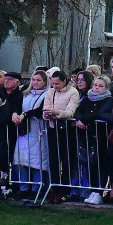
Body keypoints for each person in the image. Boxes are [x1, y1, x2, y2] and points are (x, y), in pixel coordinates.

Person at [74, 75, 113, 206]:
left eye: (100, 86)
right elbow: (78, 111)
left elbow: (98, 113)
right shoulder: (87, 98)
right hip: (88, 135)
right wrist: (79, 119)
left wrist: (85, 120)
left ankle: (99, 190)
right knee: (90, 164)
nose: (97, 88)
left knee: (101, 164)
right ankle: (93, 189)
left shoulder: (108, 100)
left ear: (106, 88)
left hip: (102, 136)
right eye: (96, 85)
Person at [12, 70, 50, 202]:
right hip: (24, 132)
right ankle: (23, 188)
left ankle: (36, 188)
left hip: (38, 131)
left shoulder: (47, 94)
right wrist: (16, 114)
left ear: (45, 82)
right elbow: (17, 107)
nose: (35, 82)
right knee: (21, 160)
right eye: (33, 80)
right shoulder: (26, 94)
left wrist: (26, 115)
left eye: (39, 80)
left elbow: (40, 110)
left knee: (37, 162)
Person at [43, 70, 79, 204]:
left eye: (57, 84)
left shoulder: (73, 92)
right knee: (53, 160)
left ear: (64, 81)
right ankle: (54, 188)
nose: (55, 86)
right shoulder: (50, 92)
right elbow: (45, 107)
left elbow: (71, 112)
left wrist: (56, 112)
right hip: (53, 128)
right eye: (52, 84)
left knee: (67, 161)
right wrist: (46, 114)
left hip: (67, 130)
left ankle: (64, 190)